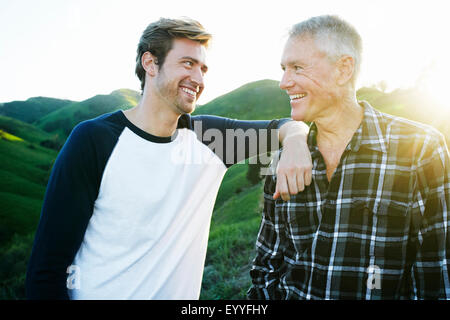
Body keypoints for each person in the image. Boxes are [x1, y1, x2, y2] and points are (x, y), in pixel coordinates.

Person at [25, 17, 312, 300]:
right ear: (150, 63)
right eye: (188, 64)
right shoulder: (93, 140)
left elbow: (284, 126)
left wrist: (297, 140)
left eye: (203, 69)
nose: (198, 79)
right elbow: (46, 270)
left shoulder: (211, 139)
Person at [248, 15, 450, 299]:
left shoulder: (421, 149)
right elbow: (266, 267)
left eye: (297, 68)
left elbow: (436, 274)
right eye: (283, 69)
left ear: (343, 69)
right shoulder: (283, 160)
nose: (284, 82)